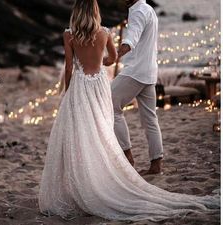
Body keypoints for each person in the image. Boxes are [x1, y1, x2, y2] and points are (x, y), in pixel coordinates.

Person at [38, 0, 219, 222]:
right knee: (113, 125)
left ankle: (119, 159)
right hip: (114, 80)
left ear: (76, 12)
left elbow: (69, 67)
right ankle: (154, 161)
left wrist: (67, 90)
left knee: (84, 129)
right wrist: (102, 60)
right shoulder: (106, 32)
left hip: (93, 83)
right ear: (95, 11)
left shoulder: (69, 35)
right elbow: (113, 58)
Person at [112, 0, 163, 174]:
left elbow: (131, 38)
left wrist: (115, 55)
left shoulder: (138, 11)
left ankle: (127, 157)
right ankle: (156, 163)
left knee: (110, 106)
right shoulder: (148, 9)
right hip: (149, 72)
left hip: (135, 72)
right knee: (150, 119)